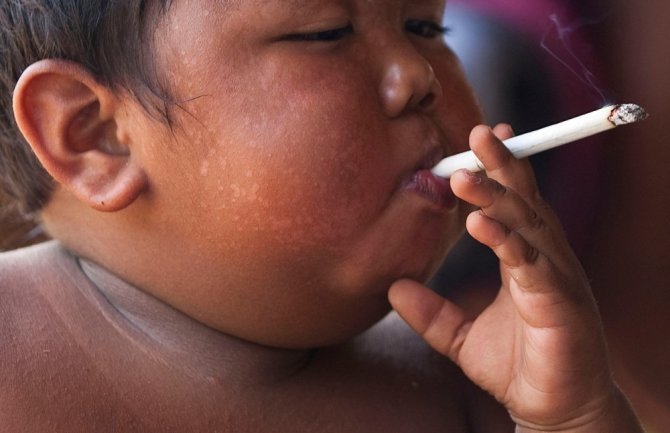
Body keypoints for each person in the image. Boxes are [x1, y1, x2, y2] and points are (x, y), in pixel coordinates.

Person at [0, 1, 644, 431]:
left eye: (425, 26)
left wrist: (573, 418)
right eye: (326, 33)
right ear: (95, 137)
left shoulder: (470, 395)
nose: (418, 75)